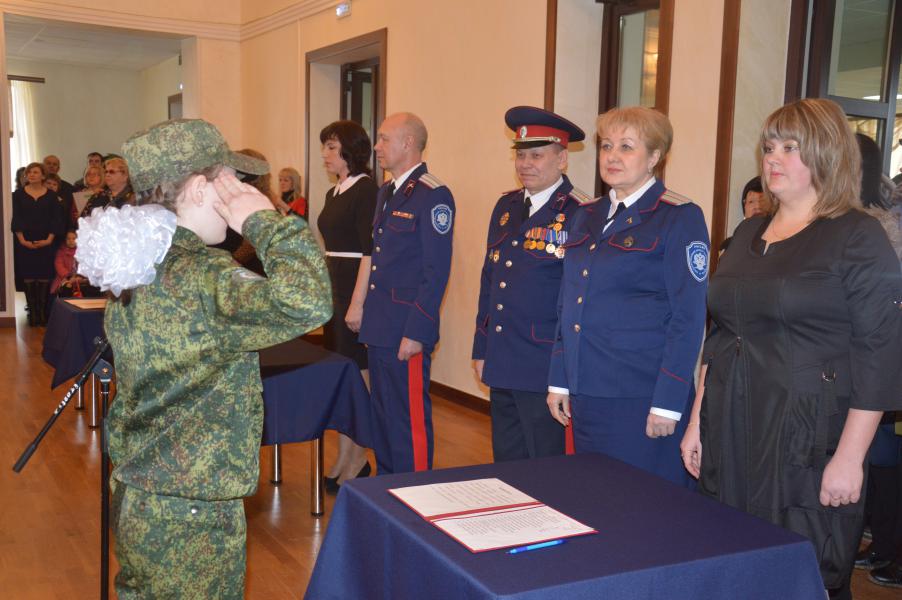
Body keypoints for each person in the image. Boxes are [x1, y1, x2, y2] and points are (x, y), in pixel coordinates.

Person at [75, 118, 331, 598]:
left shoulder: (138, 261)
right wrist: (263, 221)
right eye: (228, 181)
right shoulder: (202, 275)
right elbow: (310, 302)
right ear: (197, 188)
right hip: (189, 511)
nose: (239, 192)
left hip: (142, 490)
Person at [680, 99, 902, 599]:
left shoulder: (857, 236)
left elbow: (880, 352)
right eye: (769, 147)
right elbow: (721, 334)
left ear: (826, 154)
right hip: (731, 425)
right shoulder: (748, 232)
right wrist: (697, 420)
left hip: (806, 435)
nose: (773, 158)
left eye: (790, 148)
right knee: (731, 560)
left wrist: (850, 457)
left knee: (802, 573)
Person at [546, 106, 709, 486]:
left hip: (641, 396)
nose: (612, 156)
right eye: (606, 146)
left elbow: (688, 317)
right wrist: (559, 379)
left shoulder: (678, 217)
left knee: (642, 504)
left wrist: (668, 401)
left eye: (626, 147)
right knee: (593, 495)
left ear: (654, 157)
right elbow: (568, 302)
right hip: (587, 391)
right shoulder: (586, 214)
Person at [473, 106, 591, 461]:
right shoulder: (505, 206)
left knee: (546, 464)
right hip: (503, 356)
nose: (525, 164)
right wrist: (481, 347)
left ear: (562, 159)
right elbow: (490, 280)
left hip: (545, 364)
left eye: (537, 155)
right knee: (507, 461)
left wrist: (566, 370)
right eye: (521, 155)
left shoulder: (582, 212)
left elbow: (580, 299)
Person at [359, 112, 454, 474]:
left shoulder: (433, 194)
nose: (377, 146)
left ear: (408, 143)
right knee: (383, 416)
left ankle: (414, 490)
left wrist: (417, 331)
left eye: (384, 138)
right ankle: (386, 487)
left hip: (405, 328)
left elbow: (435, 272)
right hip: (381, 325)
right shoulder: (387, 191)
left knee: (408, 419)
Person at [851, 133, 902, 590]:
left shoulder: (877, 227)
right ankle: (879, 543)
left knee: (879, 461)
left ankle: (886, 545)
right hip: (862, 361)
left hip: (873, 359)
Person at [317, 120, 379, 490]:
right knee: (341, 376)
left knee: (358, 376)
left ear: (351, 150)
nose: (325, 154)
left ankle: (359, 457)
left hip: (354, 289)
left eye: (331, 147)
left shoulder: (366, 190)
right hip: (334, 288)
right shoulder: (334, 192)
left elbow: (369, 253)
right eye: (324, 146)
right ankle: (343, 454)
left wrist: (358, 304)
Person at [11, 162, 65, 325]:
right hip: (24, 242)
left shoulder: (51, 196)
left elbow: (56, 219)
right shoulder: (17, 195)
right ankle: (33, 313)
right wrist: (22, 240)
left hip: (46, 242)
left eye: (35, 172)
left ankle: (42, 314)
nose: (31, 175)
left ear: (43, 176)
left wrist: (49, 239)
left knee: (44, 276)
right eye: (29, 172)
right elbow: (16, 218)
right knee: (28, 276)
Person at [43, 154, 75, 219]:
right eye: (48, 163)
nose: (51, 166)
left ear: (58, 169)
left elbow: (69, 210)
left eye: (54, 164)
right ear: (42, 166)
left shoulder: (68, 188)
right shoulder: (36, 185)